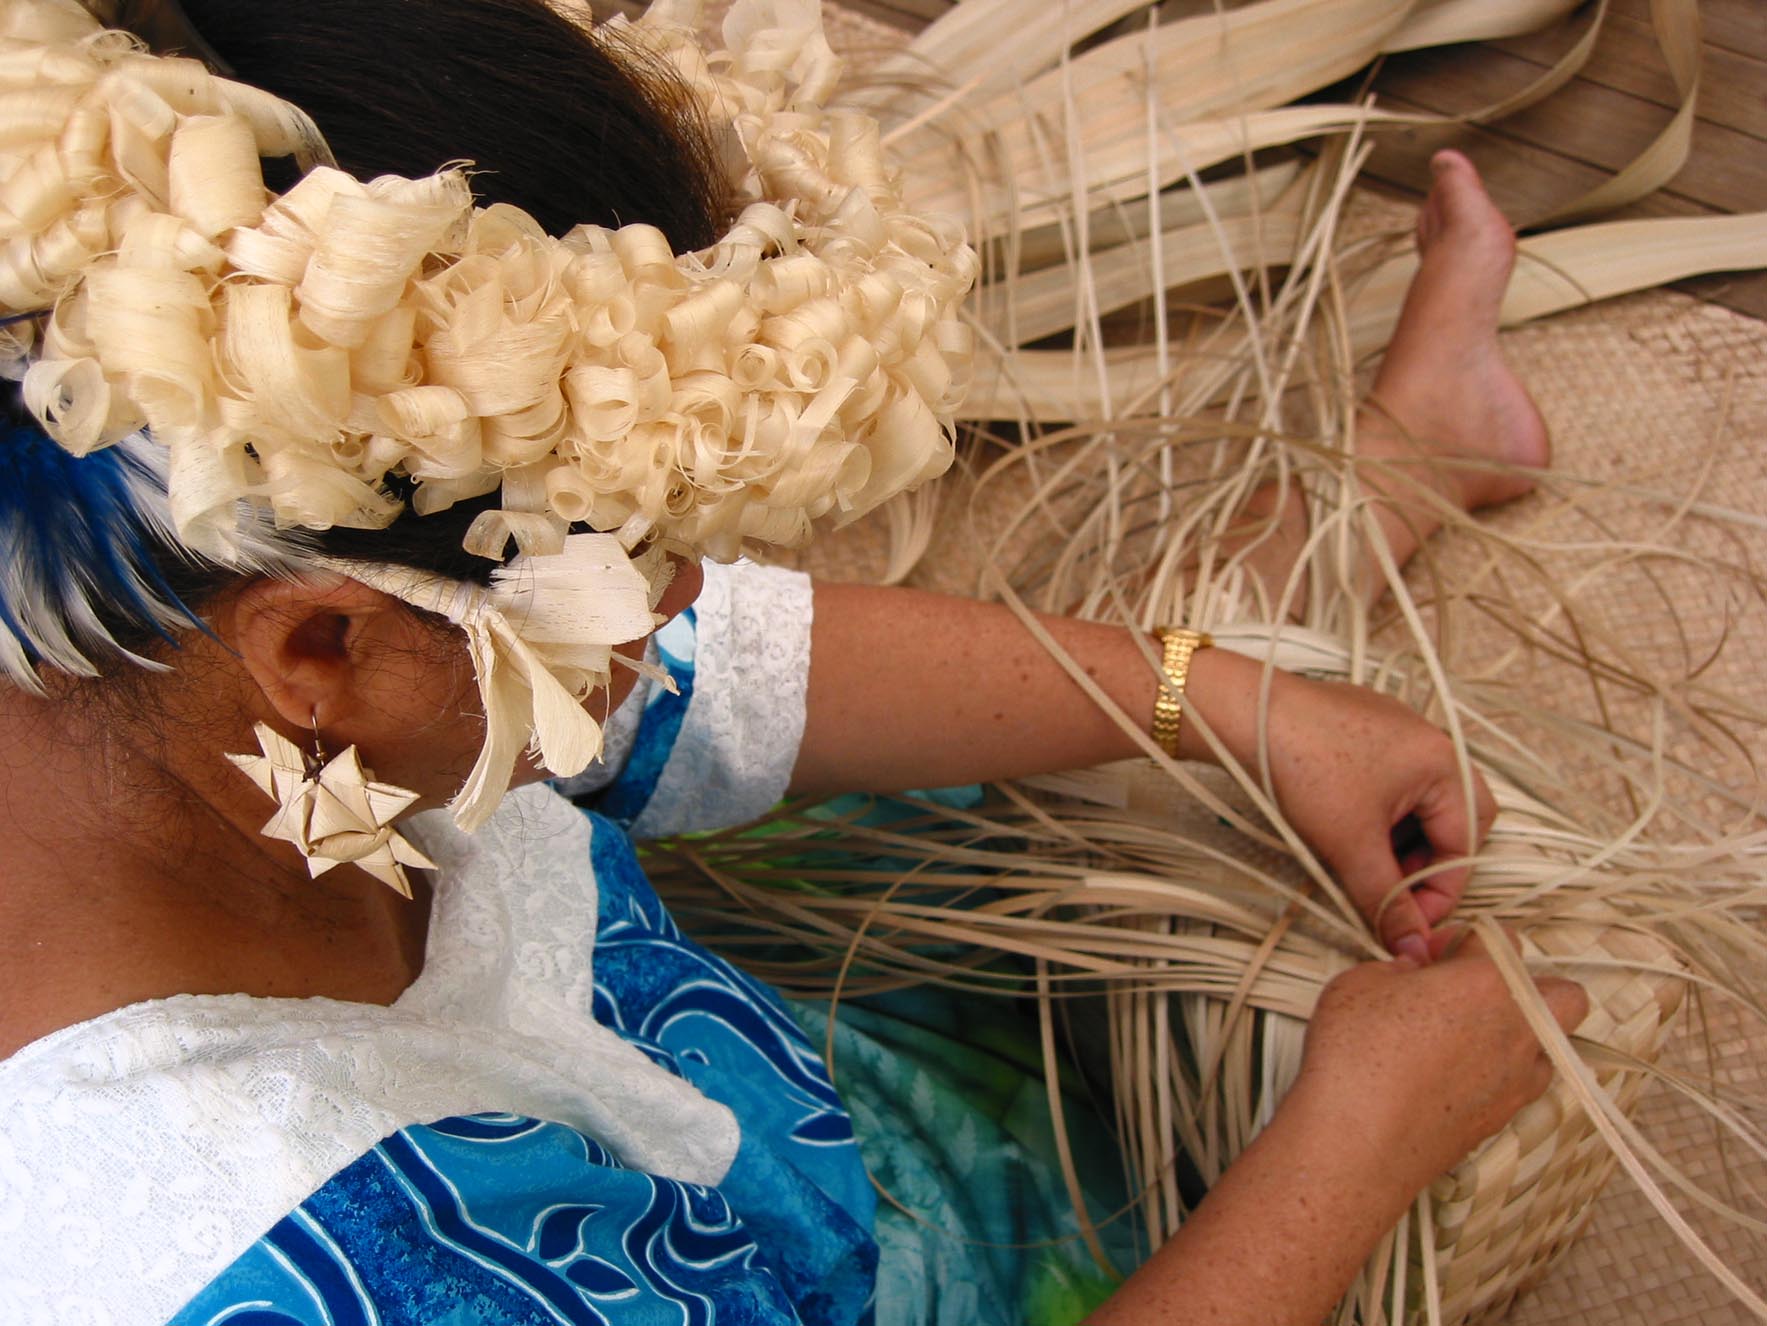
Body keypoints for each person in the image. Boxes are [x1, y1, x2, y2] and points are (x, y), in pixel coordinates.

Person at [0, 1, 1588, 1324]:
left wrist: (1234, 697)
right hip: (858, 1257)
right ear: (324, 649)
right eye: (637, 560)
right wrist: (1353, 1144)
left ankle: (1375, 487)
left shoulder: (155, 610)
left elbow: (736, 672)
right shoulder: (286, 1265)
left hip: (773, 1062)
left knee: (1073, 771)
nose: (693, 593)